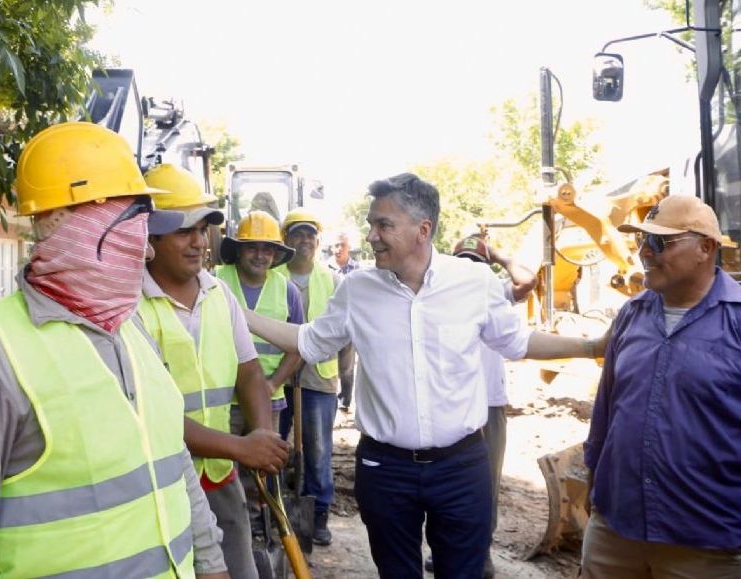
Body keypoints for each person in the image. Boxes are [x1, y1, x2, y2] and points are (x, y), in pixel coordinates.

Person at [244, 172, 607, 579]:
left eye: (383, 225)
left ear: (423, 229)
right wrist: (241, 316)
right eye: (371, 224)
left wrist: (591, 347)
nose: (372, 236)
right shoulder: (357, 290)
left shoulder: (473, 282)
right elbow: (310, 341)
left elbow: (517, 341)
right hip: (385, 470)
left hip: (461, 466)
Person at [0, 122, 229, 578]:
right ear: (80, 221)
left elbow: (171, 461)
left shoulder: (130, 328)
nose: (147, 252)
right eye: (135, 222)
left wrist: (211, 562)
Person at [140, 164, 289, 579]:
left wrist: (262, 435)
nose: (199, 242)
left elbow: (250, 373)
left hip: (220, 479)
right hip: (161, 479)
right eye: (185, 231)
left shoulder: (218, 293)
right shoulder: (130, 304)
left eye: (204, 229)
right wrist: (241, 448)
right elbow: (148, 412)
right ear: (151, 237)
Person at [581, 195, 741, 578]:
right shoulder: (631, 314)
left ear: (705, 247)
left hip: (707, 543)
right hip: (615, 530)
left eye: (658, 243)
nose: (644, 254)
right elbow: (605, 411)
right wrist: (595, 490)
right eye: (641, 242)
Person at [425, 234, 537, 577]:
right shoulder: (440, 294)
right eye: (463, 260)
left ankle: (480, 552)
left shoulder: (489, 289)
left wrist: (498, 254)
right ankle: (443, 548)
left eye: (476, 261)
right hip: (450, 404)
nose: (469, 267)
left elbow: (527, 280)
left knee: (484, 484)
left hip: (488, 403)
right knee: (442, 483)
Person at [215, 210, 304, 533]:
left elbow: (298, 345)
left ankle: (257, 526)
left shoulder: (287, 291)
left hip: (269, 399)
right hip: (222, 399)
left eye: (267, 249)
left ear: (277, 254)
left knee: (262, 468)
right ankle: (224, 524)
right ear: (238, 250)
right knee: (220, 468)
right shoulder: (214, 280)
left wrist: (272, 383)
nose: (260, 255)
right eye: (252, 247)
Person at [276, 208, 341, 546]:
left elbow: (347, 336)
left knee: (317, 451)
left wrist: (346, 378)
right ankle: (273, 508)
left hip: (318, 379)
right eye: (297, 234)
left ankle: (318, 514)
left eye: (309, 235)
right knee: (272, 444)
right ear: (286, 240)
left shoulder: (332, 279)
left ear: (318, 241)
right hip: (278, 377)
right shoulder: (273, 276)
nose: (304, 240)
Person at [326, 230, 360, 412]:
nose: (338, 249)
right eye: (335, 245)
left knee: (346, 369)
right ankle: (329, 398)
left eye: (342, 245)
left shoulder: (357, 270)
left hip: (350, 326)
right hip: (330, 325)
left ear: (349, 248)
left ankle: (344, 400)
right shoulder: (323, 269)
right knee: (329, 366)